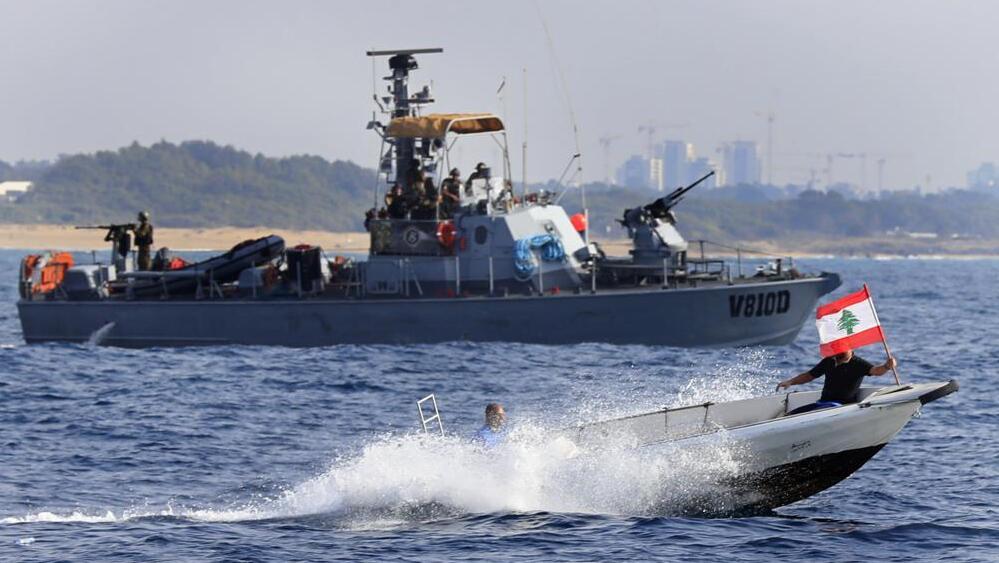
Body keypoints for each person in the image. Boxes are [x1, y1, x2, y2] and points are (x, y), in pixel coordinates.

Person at [777, 349, 898, 414]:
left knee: (823, 408)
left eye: (841, 349)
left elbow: (876, 371)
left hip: (842, 407)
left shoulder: (858, 363)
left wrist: (887, 366)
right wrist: (790, 382)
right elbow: (810, 375)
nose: (837, 352)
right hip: (822, 403)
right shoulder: (829, 361)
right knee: (793, 414)